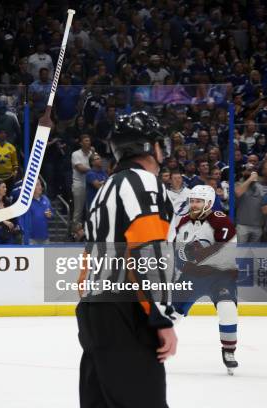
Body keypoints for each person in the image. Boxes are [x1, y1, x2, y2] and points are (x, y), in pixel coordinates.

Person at [77, 112, 177, 408]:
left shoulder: (106, 189)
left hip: (95, 311)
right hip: (126, 311)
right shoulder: (144, 183)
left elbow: (88, 258)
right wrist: (160, 316)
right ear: (150, 147)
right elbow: (148, 250)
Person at [172, 185, 239, 375]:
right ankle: (152, 348)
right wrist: (185, 260)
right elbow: (179, 252)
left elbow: (223, 250)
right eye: (192, 200)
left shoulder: (221, 221)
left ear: (209, 203)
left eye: (198, 201)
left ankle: (229, 351)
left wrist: (198, 253)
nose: (194, 204)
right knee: (172, 315)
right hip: (192, 275)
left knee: (228, 309)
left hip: (220, 276)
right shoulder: (183, 221)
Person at [234, 160, 267, 242]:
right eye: (248, 170)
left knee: (253, 253)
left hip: (258, 226)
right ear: (243, 172)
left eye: (252, 171)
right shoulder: (238, 184)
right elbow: (238, 193)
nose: (250, 173)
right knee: (239, 252)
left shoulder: (260, 186)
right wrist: (250, 179)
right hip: (242, 225)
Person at [71, 134, 94, 227]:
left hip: (91, 184)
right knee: (78, 211)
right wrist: (93, 170)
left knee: (91, 209)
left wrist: (93, 154)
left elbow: (98, 165)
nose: (89, 142)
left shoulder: (92, 154)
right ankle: (75, 233)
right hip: (79, 185)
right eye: (86, 141)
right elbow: (80, 169)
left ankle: (89, 230)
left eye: (89, 140)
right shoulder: (75, 154)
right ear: (81, 143)